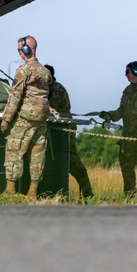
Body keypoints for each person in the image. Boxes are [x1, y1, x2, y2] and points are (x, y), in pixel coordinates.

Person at [100, 61, 137, 200]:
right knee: (126, 169)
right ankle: (129, 198)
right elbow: (121, 111)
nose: (125, 75)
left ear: (136, 72)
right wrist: (108, 115)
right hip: (127, 138)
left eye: (127, 72)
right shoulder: (127, 91)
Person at [0, 35, 52, 198]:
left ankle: (10, 190)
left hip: (25, 118)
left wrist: (6, 119)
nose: (19, 53)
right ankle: (33, 192)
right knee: (38, 154)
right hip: (41, 120)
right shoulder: (45, 71)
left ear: (26, 49)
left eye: (19, 50)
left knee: (14, 151)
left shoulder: (24, 70)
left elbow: (15, 96)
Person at [45, 64, 94, 200]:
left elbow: (51, 110)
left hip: (63, 130)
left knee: (72, 161)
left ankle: (87, 193)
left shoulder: (57, 89)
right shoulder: (46, 89)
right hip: (55, 129)